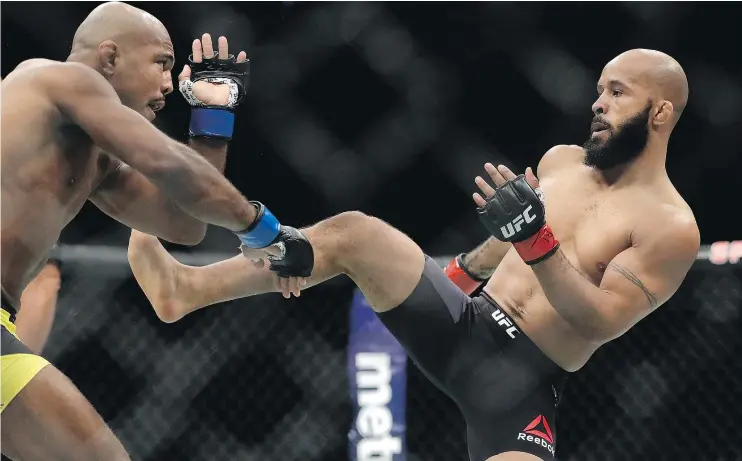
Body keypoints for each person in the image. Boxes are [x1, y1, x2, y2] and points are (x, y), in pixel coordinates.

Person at [127, 49, 700, 461]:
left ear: (661, 114)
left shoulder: (671, 228)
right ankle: (189, 289)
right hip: (465, 320)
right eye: (599, 88)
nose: (598, 103)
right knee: (355, 232)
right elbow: (512, 236)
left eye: (618, 92)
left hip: (526, 378)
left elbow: (598, 319)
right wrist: (457, 272)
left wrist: (535, 241)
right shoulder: (561, 161)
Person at [0, 2, 313, 460]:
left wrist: (212, 116)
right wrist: (262, 229)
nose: (169, 84)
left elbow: (184, 223)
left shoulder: (95, 159)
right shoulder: (62, 79)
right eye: (161, 64)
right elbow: (164, 161)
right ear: (109, 58)